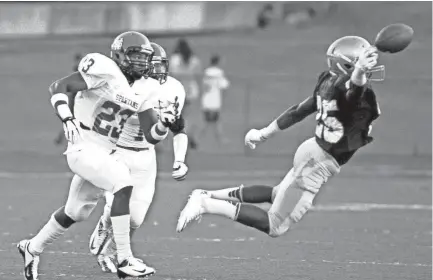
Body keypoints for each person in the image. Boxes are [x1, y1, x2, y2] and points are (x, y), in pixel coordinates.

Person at [176, 36, 383, 238]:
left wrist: (264, 133)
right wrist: (359, 73)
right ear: (348, 67)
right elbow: (353, 94)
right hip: (318, 163)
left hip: (311, 150)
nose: (367, 69)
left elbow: (297, 111)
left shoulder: (329, 82)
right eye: (359, 65)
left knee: (276, 194)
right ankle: (206, 204)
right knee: (276, 225)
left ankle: (205, 195)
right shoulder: (352, 92)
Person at [17, 31, 179, 279]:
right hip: (82, 146)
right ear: (119, 54)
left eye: (144, 57)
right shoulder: (105, 69)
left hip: (105, 153)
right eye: (134, 55)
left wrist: (165, 124)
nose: (140, 62)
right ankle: (124, 257)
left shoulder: (146, 88)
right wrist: (67, 117)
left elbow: (151, 136)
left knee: (76, 212)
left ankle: (32, 247)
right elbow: (59, 87)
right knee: (122, 181)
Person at [87, 42, 189, 274]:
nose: (157, 70)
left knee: (136, 218)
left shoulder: (174, 88)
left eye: (160, 65)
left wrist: (179, 159)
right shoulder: (129, 86)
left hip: (146, 155)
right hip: (117, 149)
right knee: (116, 203)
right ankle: (109, 232)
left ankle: (112, 248)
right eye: (151, 64)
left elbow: (179, 127)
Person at [170, 38, 202, 149]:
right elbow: (197, 73)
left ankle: (183, 136)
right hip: (191, 90)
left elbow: (172, 73)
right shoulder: (194, 60)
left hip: (178, 89)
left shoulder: (174, 59)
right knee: (187, 116)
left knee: (179, 115)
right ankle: (187, 136)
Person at [198, 54, 230, 145]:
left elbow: (204, 85)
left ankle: (198, 138)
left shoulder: (206, 72)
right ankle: (219, 138)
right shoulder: (219, 72)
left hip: (206, 99)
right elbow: (224, 84)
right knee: (215, 120)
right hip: (215, 100)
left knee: (208, 121)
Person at [54, 53, 82, 146]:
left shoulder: (78, 70)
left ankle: (61, 138)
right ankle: (61, 138)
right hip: (74, 99)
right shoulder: (80, 71)